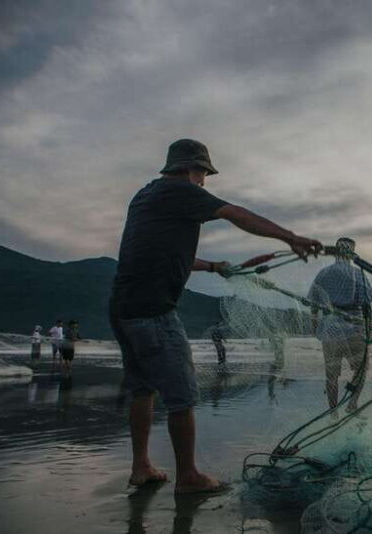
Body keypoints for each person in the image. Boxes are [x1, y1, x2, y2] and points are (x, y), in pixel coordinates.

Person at [109, 138, 321, 494]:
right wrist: (290, 237)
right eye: (204, 173)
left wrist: (213, 266)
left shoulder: (145, 196)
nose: (204, 181)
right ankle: (188, 477)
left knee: (142, 388)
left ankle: (141, 466)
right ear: (193, 169)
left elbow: (165, 254)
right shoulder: (181, 190)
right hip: (153, 311)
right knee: (183, 394)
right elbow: (234, 212)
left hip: (122, 308)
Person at [308, 237, 372, 414]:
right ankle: (352, 403)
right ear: (352, 252)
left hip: (330, 331)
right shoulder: (358, 274)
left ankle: (333, 411)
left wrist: (314, 327)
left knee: (331, 375)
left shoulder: (323, 273)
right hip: (355, 329)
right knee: (361, 369)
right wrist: (370, 330)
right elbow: (366, 306)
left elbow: (314, 305)